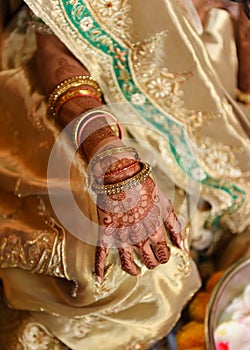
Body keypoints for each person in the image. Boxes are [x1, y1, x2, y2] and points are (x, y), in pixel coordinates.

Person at [0, 0, 249, 349]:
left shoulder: (232, 19)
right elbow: (57, 38)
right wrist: (111, 157)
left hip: (198, 145)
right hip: (77, 92)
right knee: (139, 272)